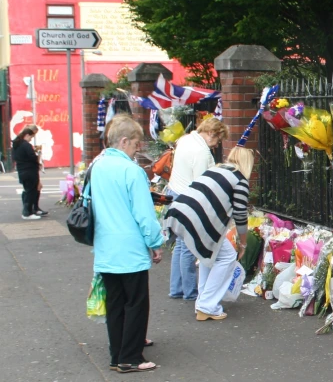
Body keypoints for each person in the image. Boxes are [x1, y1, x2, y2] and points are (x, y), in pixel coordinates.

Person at [90, 114, 164, 373]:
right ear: (123, 141)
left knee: (115, 304)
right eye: (135, 144)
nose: (137, 149)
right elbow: (144, 214)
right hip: (130, 247)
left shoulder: (97, 166)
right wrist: (155, 242)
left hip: (105, 245)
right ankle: (131, 357)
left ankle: (116, 354)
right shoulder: (131, 171)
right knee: (136, 303)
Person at [163, 147, 252, 321]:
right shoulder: (239, 180)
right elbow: (240, 215)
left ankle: (203, 302)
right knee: (227, 257)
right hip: (199, 221)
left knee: (208, 256)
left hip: (180, 213)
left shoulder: (215, 169)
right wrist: (243, 243)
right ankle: (207, 305)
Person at [165, 118, 227, 300]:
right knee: (188, 248)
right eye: (218, 139)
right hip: (188, 200)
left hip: (174, 193)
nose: (217, 144)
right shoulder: (201, 152)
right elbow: (201, 186)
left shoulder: (185, 140)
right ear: (211, 133)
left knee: (179, 245)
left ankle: (176, 288)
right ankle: (190, 292)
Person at [11, 125, 44, 219]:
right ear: (26, 135)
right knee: (31, 191)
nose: (31, 139)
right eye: (31, 137)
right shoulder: (26, 145)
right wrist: (38, 156)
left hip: (22, 170)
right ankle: (28, 212)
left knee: (28, 190)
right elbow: (32, 157)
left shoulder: (16, 144)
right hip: (30, 170)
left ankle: (28, 210)